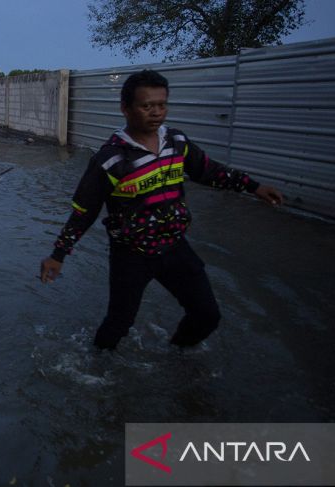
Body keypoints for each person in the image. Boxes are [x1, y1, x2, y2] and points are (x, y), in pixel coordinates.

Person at [39, 70, 284, 351]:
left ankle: (177, 358)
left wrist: (253, 187)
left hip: (175, 247)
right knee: (118, 325)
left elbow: (208, 171)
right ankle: (97, 373)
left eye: (162, 104)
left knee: (207, 315)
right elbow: (85, 212)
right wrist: (58, 255)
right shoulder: (110, 160)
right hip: (131, 255)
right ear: (125, 108)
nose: (156, 113)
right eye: (146, 106)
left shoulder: (176, 142)